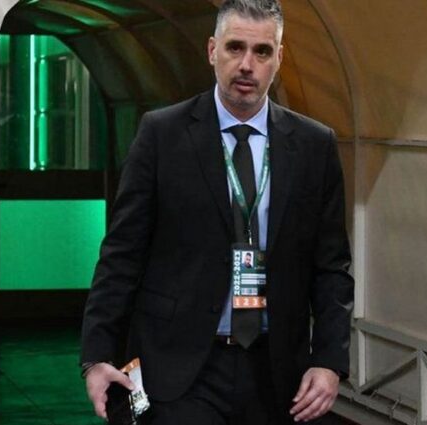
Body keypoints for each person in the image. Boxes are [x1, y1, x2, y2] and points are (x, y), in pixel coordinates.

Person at [80, 0, 353, 424]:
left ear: (279, 59)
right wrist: (96, 356)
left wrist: (330, 361)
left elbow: (332, 266)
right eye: (235, 47)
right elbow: (122, 253)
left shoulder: (314, 146)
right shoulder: (162, 135)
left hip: (276, 372)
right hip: (179, 368)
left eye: (262, 52)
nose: (246, 64)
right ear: (212, 50)